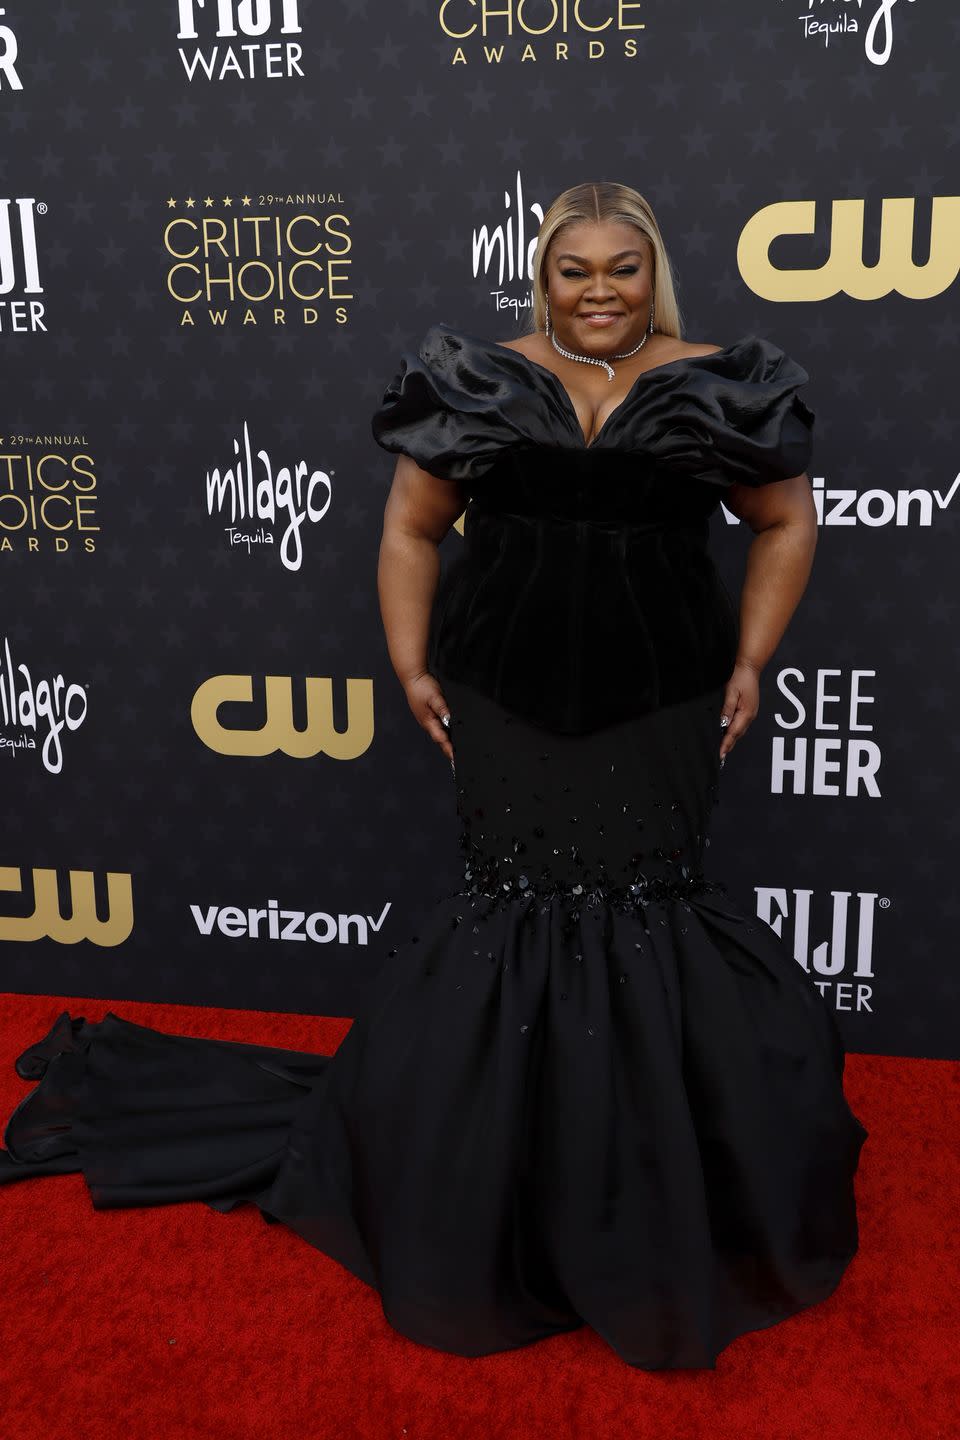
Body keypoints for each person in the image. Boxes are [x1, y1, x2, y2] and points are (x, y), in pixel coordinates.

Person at [0, 181, 868, 1372]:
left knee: (645, 906)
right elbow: (413, 527)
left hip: (662, 698)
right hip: (500, 691)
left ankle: (639, 1182)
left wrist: (753, 657)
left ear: (652, 272)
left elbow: (787, 519)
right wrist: (411, 662)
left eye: (623, 268)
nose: (600, 290)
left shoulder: (718, 380)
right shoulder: (479, 378)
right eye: (576, 269)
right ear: (542, 275)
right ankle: (492, 1190)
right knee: (514, 908)